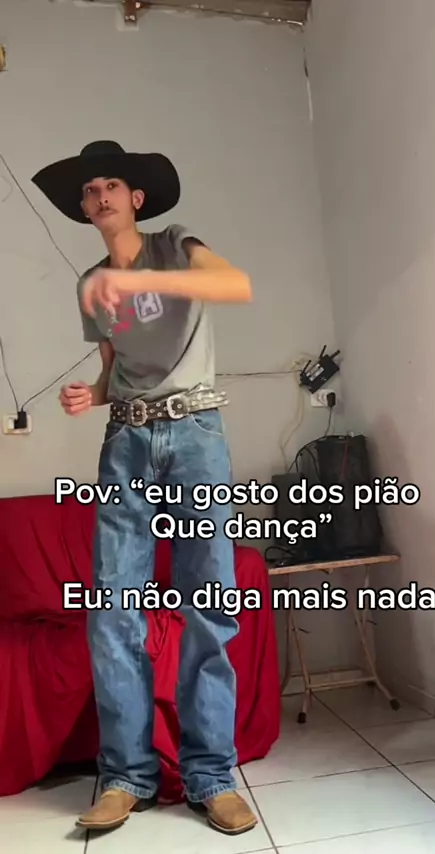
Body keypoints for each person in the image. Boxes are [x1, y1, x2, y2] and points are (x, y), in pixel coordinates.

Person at [31, 141, 257, 835]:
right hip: (127, 440)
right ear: (84, 208)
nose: (98, 195)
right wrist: (90, 393)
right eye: (88, 189)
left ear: (135, 198)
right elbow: (114, 371)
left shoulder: (175, 245)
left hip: (196, 434)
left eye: (110, 184)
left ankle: (211, 775)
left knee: (209, 603)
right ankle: (125, 777)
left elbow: (235, 285)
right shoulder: (90, 283)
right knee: (113, 609)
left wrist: (139, 282)